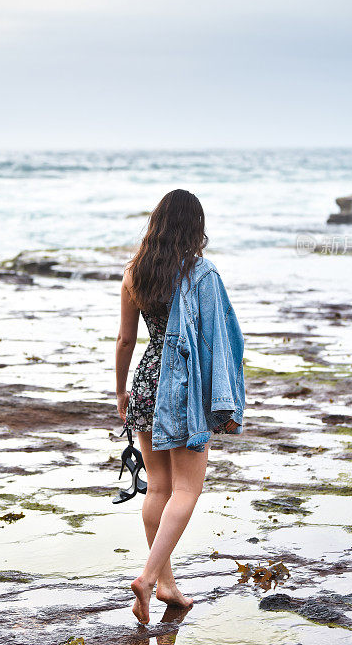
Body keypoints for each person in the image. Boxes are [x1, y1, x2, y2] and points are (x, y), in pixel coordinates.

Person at [115, 188, 242, 625]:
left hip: (148, 379)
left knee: (158, 487)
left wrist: (120, 392)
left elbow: (126, 340)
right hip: (183, 384)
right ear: (195, 227)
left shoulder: (134, 273)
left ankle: (167, 584)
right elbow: (216, 341)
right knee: (187, 490)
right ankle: (150, 577)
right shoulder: (201, 274)